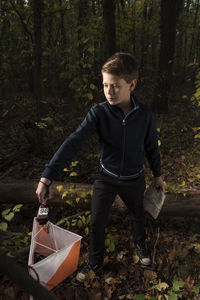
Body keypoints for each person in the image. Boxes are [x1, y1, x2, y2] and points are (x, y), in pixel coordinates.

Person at [36, 52, 164, 282]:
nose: (109, 91)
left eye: (115, 86)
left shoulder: (145, 114)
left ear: (131, 84)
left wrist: (158, 175)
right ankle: (95, 259)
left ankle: (141, 246)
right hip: (106, 177)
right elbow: (73, 141)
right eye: (105, 85)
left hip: (135, 177)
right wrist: (47, 175)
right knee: (97, 221)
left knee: (137, 215)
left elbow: (152, 147)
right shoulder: (99, 113)